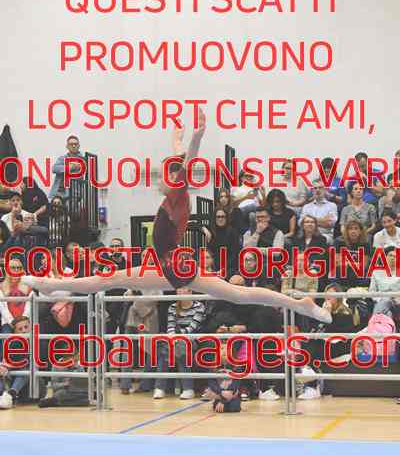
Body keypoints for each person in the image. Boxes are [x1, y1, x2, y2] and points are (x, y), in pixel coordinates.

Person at [22, 110, 332, 324]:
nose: (161, 177)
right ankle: (298, 304)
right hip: (173, 262)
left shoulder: (176, 195)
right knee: (238, 294)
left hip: (170, 264)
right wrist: (178, 135)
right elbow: (181, 156)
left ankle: (50, 284)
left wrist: (198, 136)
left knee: (110, 278)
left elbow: (189, 159)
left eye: (166, 173)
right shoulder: (175, 196)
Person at [299, 179, 338, 244]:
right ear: (312, 191)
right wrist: (323, 220)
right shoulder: (306, 207)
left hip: (325, 235)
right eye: (315, 188)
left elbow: (330, 223)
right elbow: (300, 223)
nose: (317, 190)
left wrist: (309, 221)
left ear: (325, 190)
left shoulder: (332, 206)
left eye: (320, 188)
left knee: (317, 240)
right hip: (308, 235)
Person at [49, 135, 85, 199]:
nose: (73, 146)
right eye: (71, 144)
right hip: (59, 193)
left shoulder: (83, 160)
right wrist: (70, 167)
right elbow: (54, 169)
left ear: (79, 146)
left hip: (74, 194)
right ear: (67, 146)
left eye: (76, 144)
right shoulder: (62, 158)